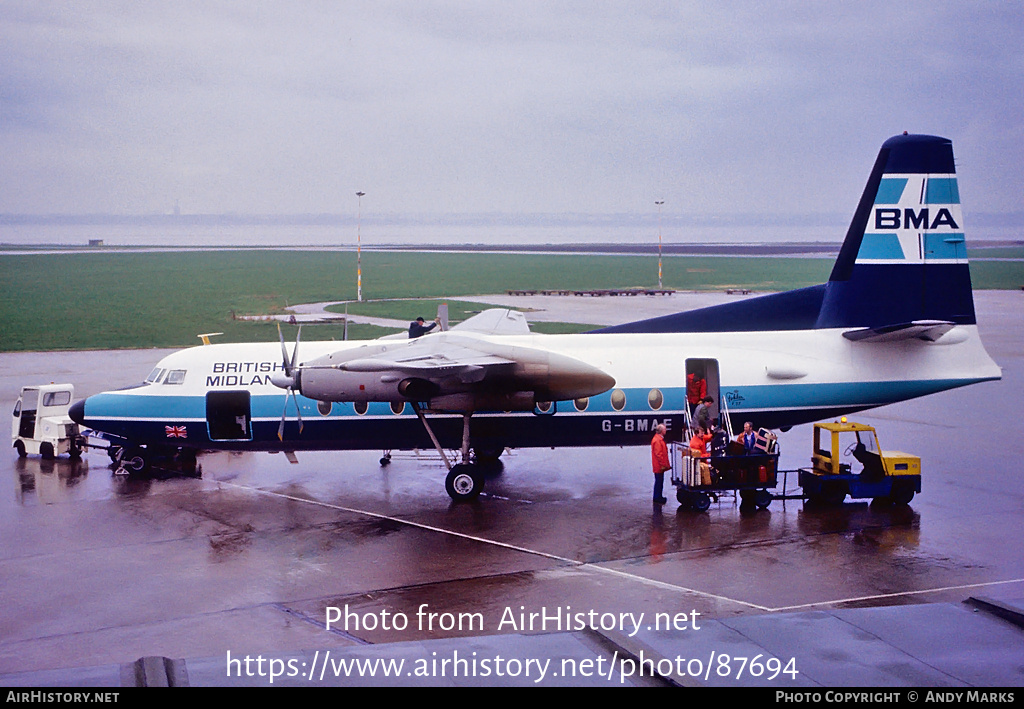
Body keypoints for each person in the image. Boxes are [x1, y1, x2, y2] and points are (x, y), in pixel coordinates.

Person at [650, 424, 670, 505]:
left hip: (658, 465)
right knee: (659, 481)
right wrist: (663, 464)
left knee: (659, 481)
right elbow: (659, 454)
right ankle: (657, 497)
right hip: (659, 466)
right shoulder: (658, 440)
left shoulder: (657, 439)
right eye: (665, 429)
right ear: (661, 431)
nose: (666, 431)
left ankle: (658, 496)